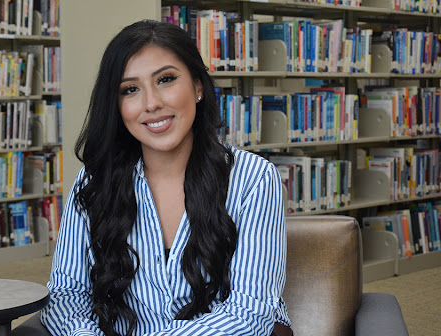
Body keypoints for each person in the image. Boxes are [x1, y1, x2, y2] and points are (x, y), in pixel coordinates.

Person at [41, 19, 291, 336]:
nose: (152, 103)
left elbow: (249, 315)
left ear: (198, 87)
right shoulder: (94, 182)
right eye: (130, 89)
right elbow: (66, 295)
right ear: (116, 106)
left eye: (166, 80)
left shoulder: (255, 179)